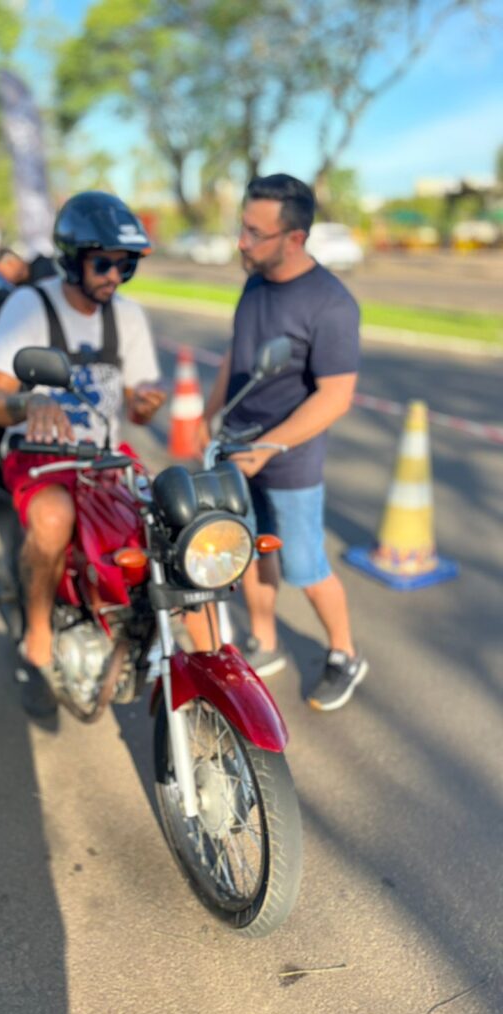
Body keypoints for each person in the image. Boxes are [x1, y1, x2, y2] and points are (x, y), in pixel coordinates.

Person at [0, 191, 166, 716]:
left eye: (124, 265)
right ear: (72, 258)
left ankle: (174, 638)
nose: (114, 276)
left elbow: (138, 404)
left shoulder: (127, 316)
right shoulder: (29, 306)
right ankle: (38, 627)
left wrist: (147, 404)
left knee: (173, 520)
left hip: (104, 457)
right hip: (39, 457)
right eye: (103, 262)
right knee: (54, 515)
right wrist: (28, 400)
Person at [199, 173, 368, 712]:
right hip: (237, 450)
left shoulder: (332, 305)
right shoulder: (255, 281)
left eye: (254, 232)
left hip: (288, 460)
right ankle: (265, 642)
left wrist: (267, 448)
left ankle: (344, 652)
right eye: (242, 228)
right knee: (248, 553)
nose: (241, 242)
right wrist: (212, 409)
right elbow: (238, 350)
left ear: (294, 238)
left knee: (305, 567)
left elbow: (336, 395)